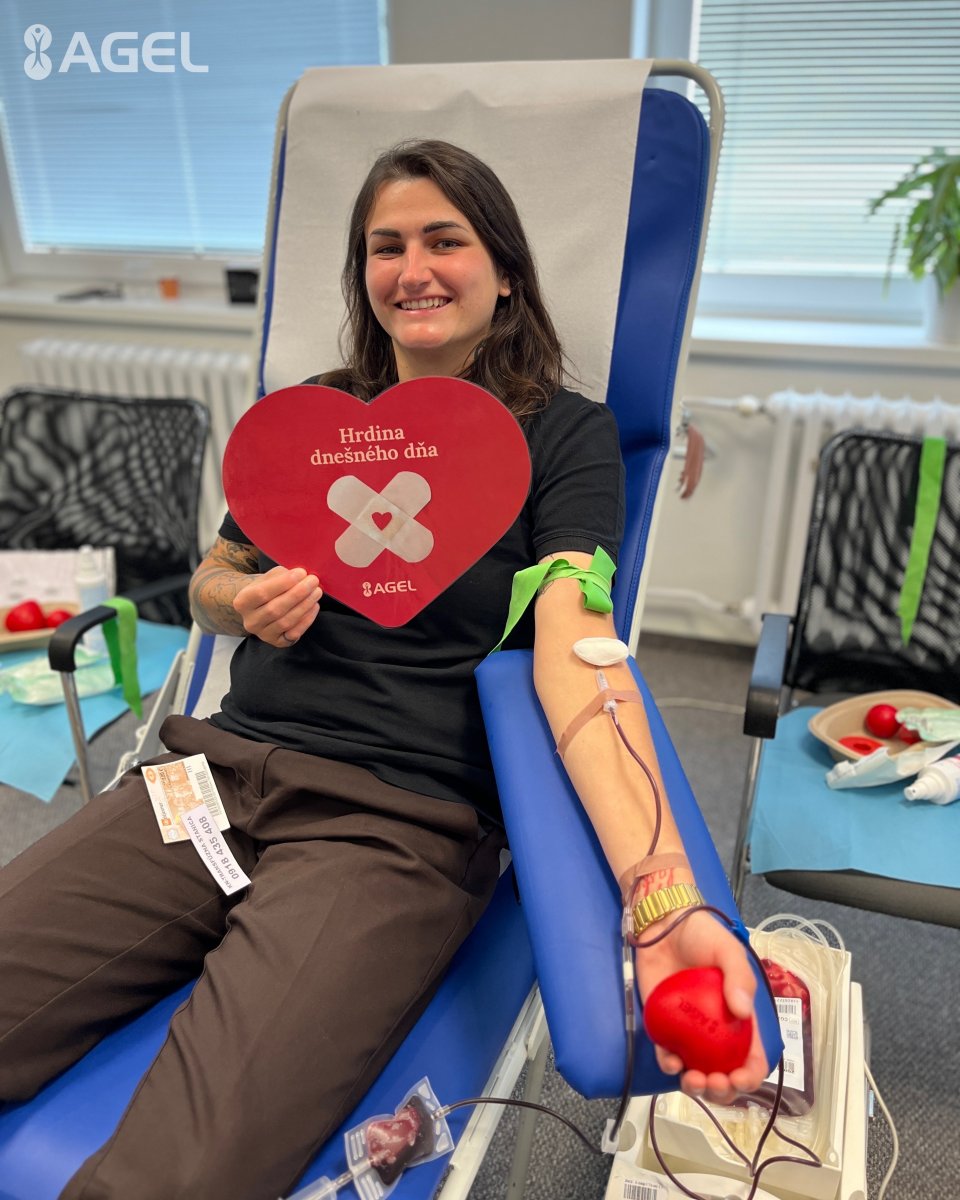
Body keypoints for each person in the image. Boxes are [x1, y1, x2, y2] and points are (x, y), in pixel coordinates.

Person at [0, 139, 767, 1200]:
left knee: (184, 1171)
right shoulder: (316, 419)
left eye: (445, 241)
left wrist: (663, 897)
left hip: (390, 825)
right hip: (207, 783)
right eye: (386, 246)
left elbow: (579, 655)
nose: (414, 270)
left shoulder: (562, 437)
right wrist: (241, 606)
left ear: (505, 271)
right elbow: (214, 577)